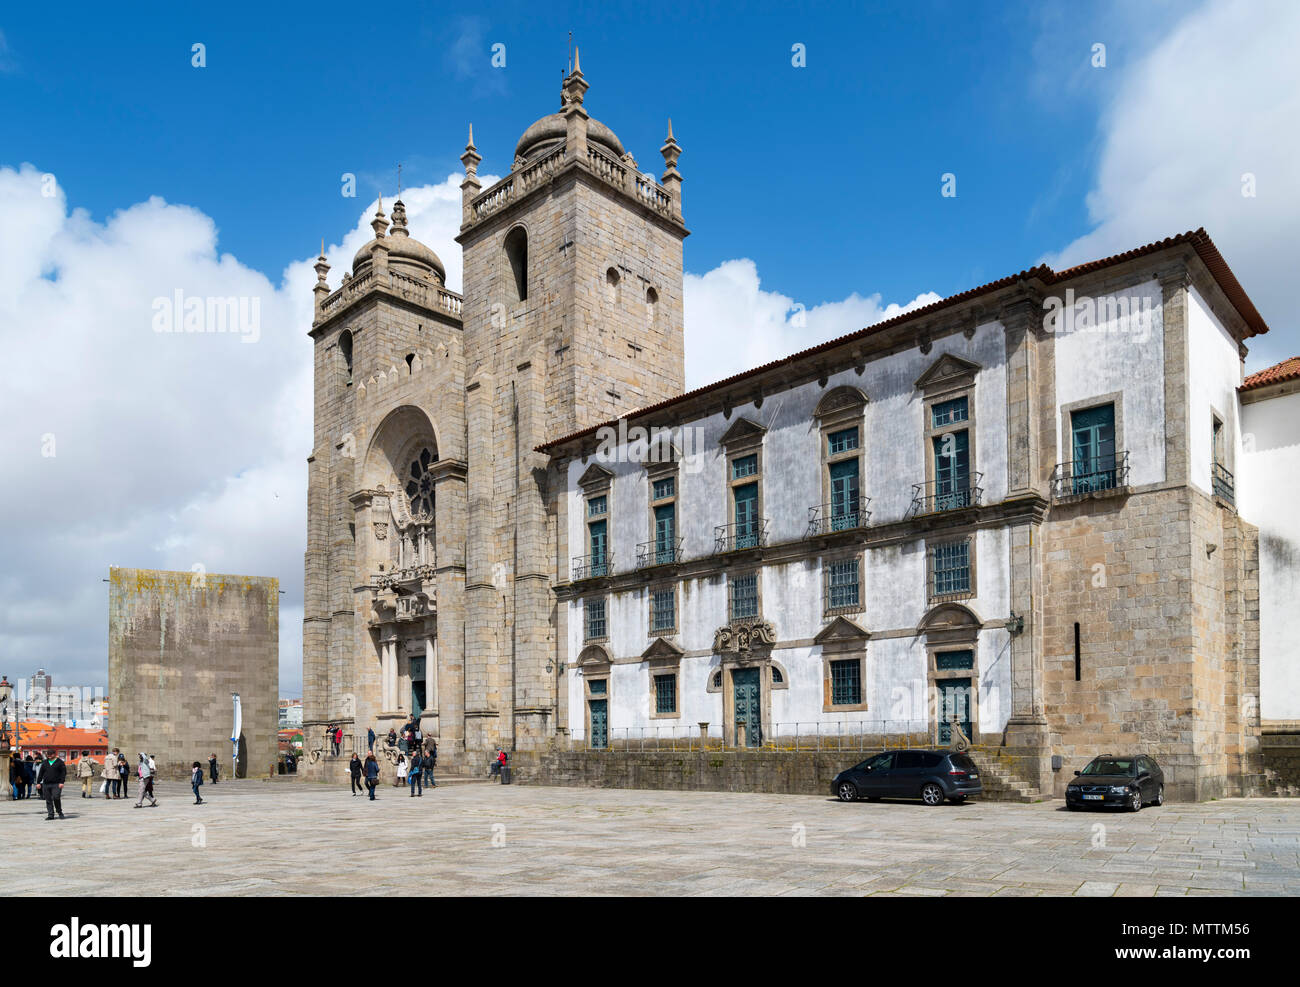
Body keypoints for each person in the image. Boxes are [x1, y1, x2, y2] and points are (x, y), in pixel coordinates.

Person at [35, 749, 66, 820]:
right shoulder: (45, 762)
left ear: (54, 754)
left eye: (50, 755)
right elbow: (41, 773)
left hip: (56, 784)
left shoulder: (60, 762)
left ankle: (59, 811)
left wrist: (62, 782)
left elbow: (63, 773)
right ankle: (51, 814)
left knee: (56, 797)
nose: (49, 756)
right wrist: (38, 782)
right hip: (46, 784)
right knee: (48, 799)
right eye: (47, 755)